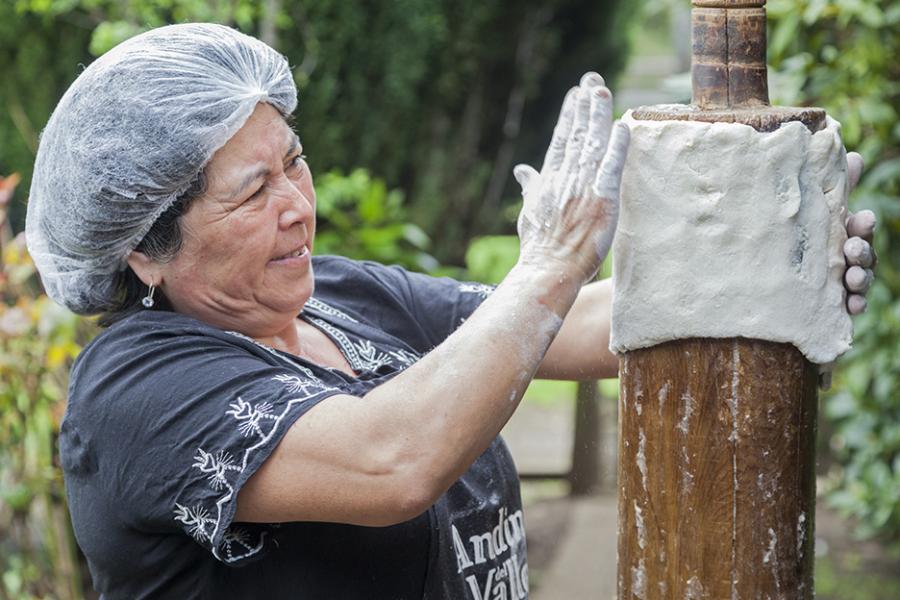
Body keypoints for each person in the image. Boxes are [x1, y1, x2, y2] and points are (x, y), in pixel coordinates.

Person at [25, 23, 875, 600]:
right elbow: (394, 460)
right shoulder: (136, 391)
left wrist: (759, 272)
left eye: (295, 162)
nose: (296, 205)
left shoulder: (342, 295)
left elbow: (571, 326)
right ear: (145, 248)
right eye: (252, 191)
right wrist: (547, 263)